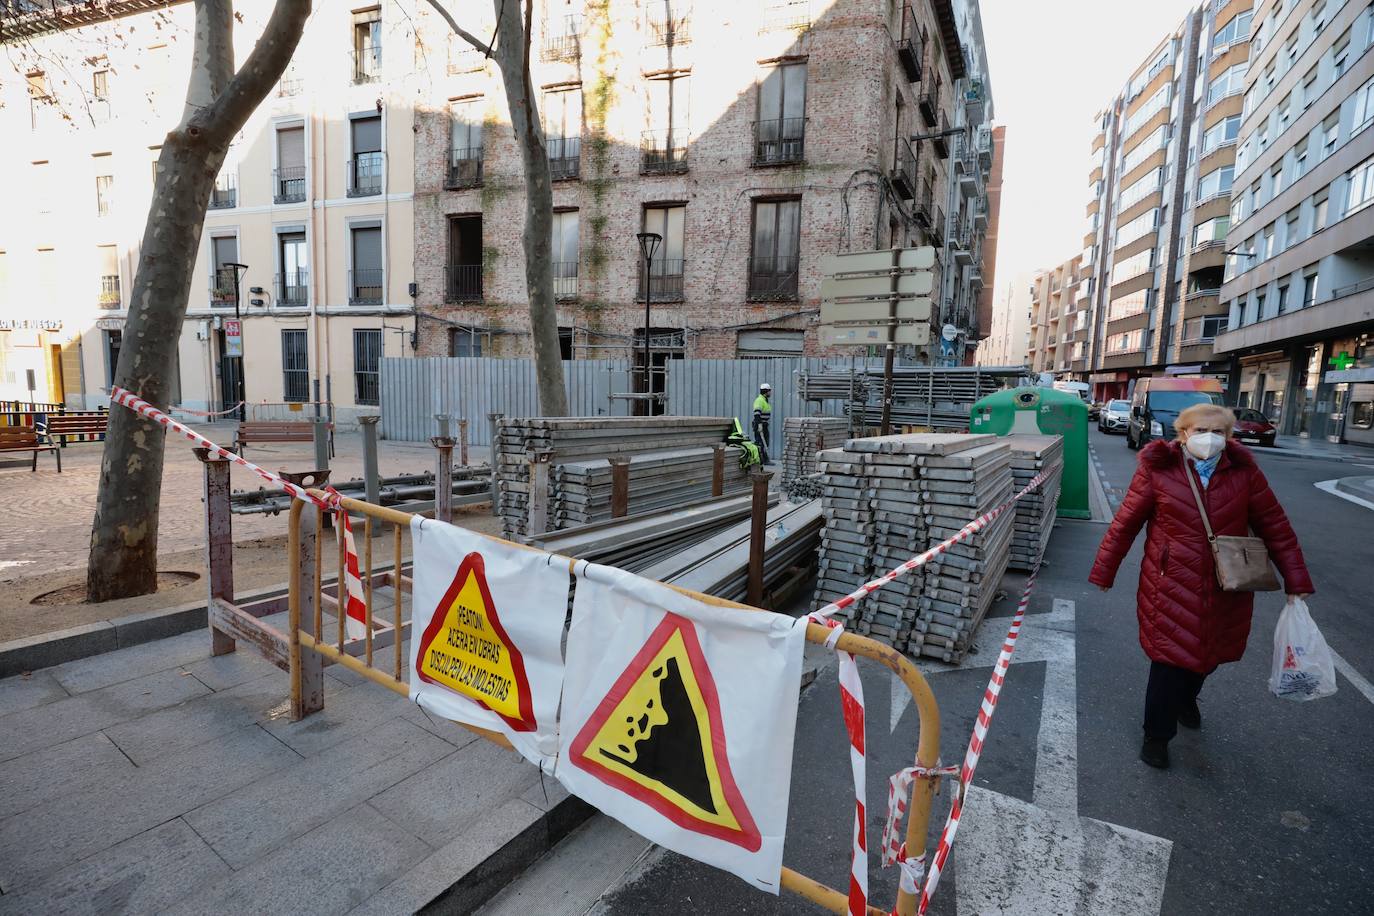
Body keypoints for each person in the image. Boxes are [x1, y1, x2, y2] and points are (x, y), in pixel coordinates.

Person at [1088, 402, 1313, 769]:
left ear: (1229, 435)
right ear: (1183, 434)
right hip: (1170, 580)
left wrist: (1297, 579)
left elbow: (1277, 528)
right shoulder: (1158, 469)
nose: (1210, 439)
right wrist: (1104, 572)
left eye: (1219, 432)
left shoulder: (1244, 473)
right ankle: (1156, 737)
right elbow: (1124, 524)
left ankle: (1187, 696)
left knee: (1209, 655)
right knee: (1168, 660)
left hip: (1229, 582)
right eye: (1200, 431)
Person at [752, 383, 773, 464]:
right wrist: (759, 425)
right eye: (769, 391)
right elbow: (757, 413)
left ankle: (763, 460)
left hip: (764, 424)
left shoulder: (764, 400)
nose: (770, 393)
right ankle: (762, 460)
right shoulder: (759, 400)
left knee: (765, 443)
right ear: (766, 391)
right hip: (759, 425)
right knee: (760, 443)